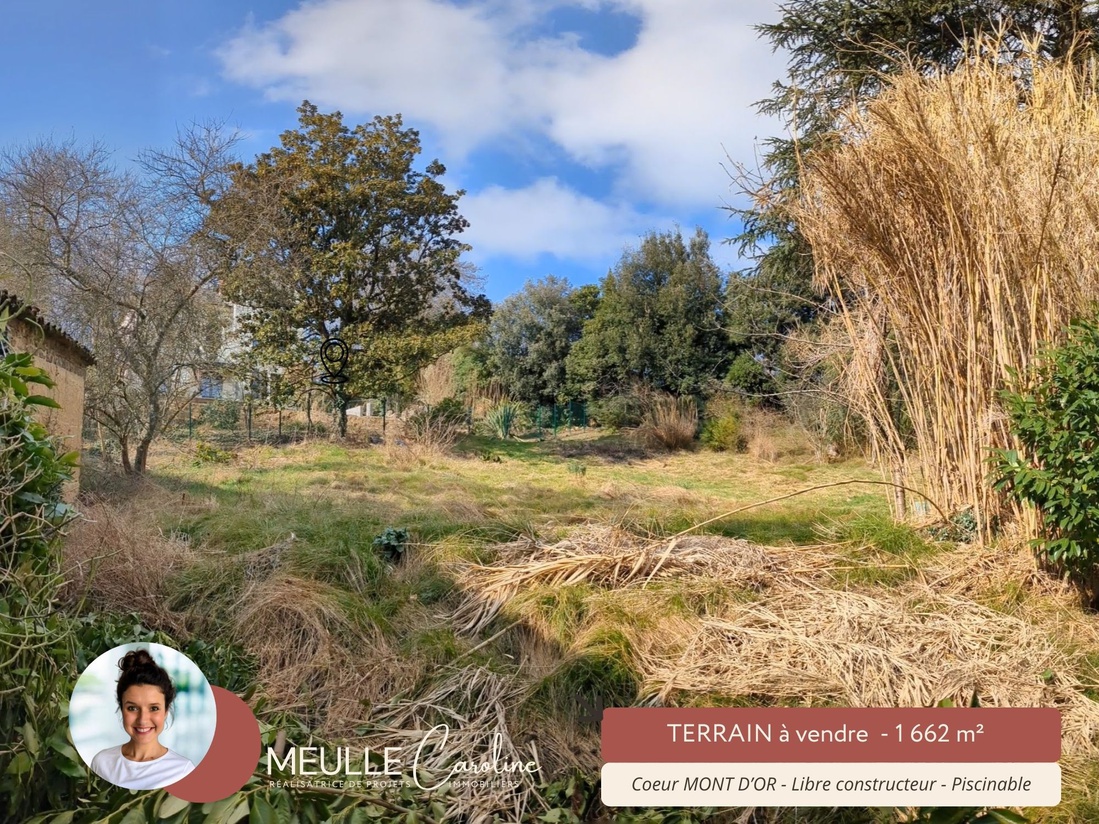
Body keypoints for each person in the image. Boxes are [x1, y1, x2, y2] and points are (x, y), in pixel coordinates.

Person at [90, 649, 196, 790]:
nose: (143, 720)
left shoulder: (182, 770)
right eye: (132, 708)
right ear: (122, 709)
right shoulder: (102, 762)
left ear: (166, 710)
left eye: (154, 708)